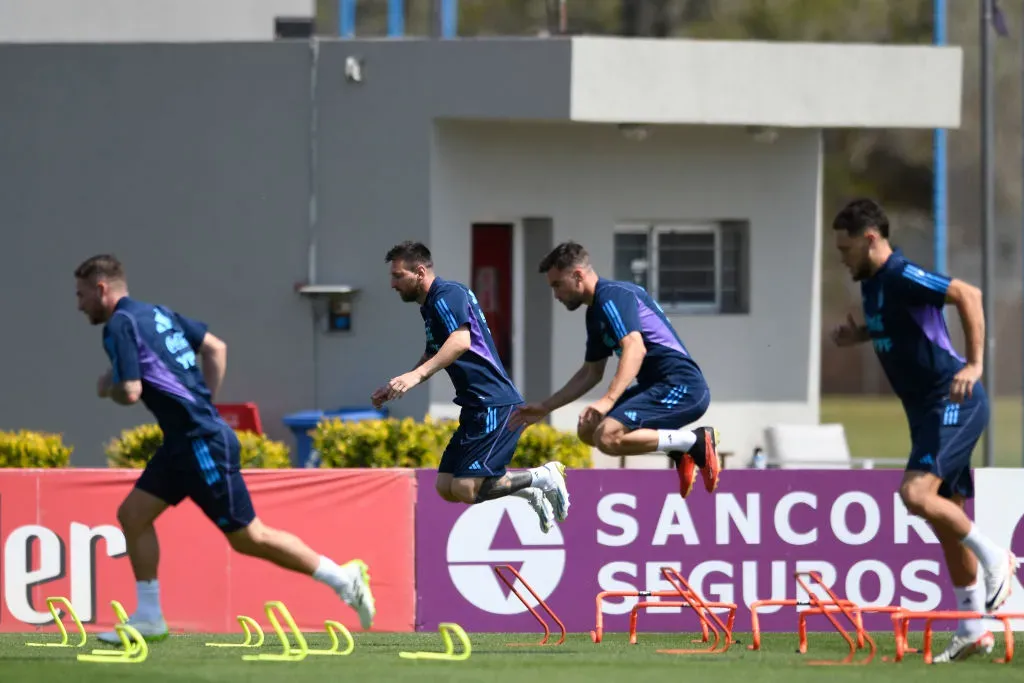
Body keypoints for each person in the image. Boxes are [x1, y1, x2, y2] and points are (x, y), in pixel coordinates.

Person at [74, 254, 375, 643]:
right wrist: (205, 405)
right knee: (133, 515)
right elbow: (215, 347)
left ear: (101, 289)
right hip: (184, 441)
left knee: (250, 537)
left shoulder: (119, 324)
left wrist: (108, 388)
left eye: (81, 295)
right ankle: (148, 617)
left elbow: (130, 391)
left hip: (199, 443)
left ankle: (343, 579)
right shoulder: (159, 314)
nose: (79, 305)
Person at [829, 198, 1018, 663]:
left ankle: (997, 557)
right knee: (944, 518)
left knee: (915, 495)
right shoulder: (873, 286)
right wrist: (861, 335)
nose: (842, 258)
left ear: (870, 239)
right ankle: (973, 629)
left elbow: (968, 294)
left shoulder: (900, 274)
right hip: (925, 413)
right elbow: (901, 326)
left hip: (953, 401)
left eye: (846, 249)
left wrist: (974, 365)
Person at [372, 241, 569, 532]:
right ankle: (531, 491)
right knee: (446, 486)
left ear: (420, 272)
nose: (392, 284)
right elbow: (434, 351)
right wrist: (401, 382)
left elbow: (460, 341)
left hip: (494, 402)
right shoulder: (431, 306)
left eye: (398, 276)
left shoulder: (447, 294)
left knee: (466, 487)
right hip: (474, 405)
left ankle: (542, 476)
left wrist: (416, 376)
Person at [509, 241, 720, 499]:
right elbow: (591, 372)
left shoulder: (613, 295)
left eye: (557, 285)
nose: (556, 295)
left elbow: (635, 348)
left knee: (608, 436)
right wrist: (546, 407)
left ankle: (694, 442)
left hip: (682, 386)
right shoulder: (594, 313)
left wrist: (608, 400)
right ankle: (679, 446)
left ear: (578, 275)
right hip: (654, 387)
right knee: (589, 430)